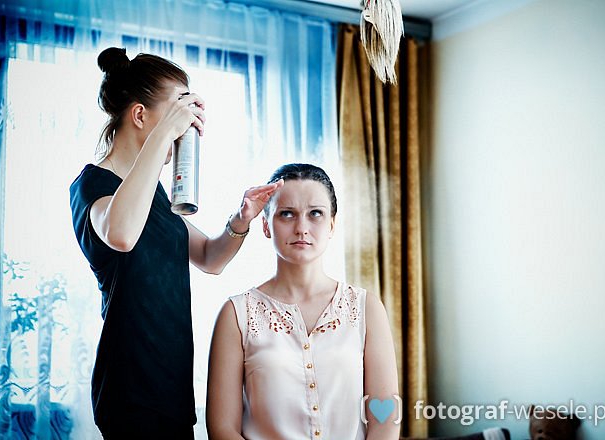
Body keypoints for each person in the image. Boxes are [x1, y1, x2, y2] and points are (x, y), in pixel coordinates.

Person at [69, 47, 282, 439]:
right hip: (131, 388)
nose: (185, 127)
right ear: (139, 115)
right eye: (177, 112)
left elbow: (210, 258)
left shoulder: (154, 194)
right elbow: (121, 234)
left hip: (172, 385)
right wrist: (164, 133)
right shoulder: (93, 184)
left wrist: (241, 220)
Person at [206, 163, 400, 439]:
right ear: (266, 225)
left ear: (331, 225)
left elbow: (385, 420)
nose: (301, 228)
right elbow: (222, 429)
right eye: (287, 214)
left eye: (315, 214)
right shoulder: (236, 314)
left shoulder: (366, 308)